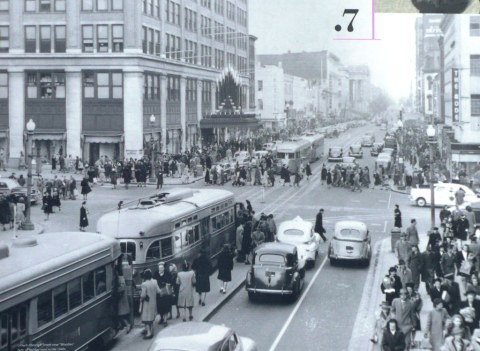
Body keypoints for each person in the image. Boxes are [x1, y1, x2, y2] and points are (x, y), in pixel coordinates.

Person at [140, 269, 161, 339]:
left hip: (147, 303)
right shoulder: (154, 282)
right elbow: (158, 291)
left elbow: (143, 295)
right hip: (153, 302)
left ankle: (149, 333)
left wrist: (141, 297)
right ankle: (151, 330)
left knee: (146, 318)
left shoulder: (144, 284)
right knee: (151, 317)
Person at [153, 262, 172, 327]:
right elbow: (154, 281)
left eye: (162, 268)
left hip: (166, 293)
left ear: (164, 268)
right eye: (159, 268)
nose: (160, 269)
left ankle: (165, 320)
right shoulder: (155, 273)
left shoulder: (167, 273)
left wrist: (167, 284)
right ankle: (161, 318)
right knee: (160, 307)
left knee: (166, 307)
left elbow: (170, 281)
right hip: (158, 293)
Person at [116, 264, 132, 333]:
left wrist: (116, 290)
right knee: (120, 314)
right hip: (122, 300)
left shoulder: (120, 278)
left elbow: (122, 288)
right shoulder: (121, 278)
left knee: (120, 315)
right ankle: (122, 324)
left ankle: (127, 325)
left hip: (121, 300)